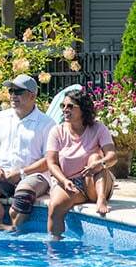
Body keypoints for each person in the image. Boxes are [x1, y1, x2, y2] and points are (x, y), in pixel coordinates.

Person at [0, 73, 57, 231]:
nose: (12, 95)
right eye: (11, 91)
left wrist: (21, 172)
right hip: (1, 174)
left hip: (33, 175)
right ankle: (0, 229)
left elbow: (50, 159)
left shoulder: (47, 124)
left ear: (32, 96)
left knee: (24, 195)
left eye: (18, 92)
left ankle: (15, 229)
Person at [45, 88, 117, 239]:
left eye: (70, 106)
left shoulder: (98, 128)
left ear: (83, 109)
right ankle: (55, 245)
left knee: (94, 158)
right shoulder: (57, 131)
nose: (65, 110)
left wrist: (101, 164)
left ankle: (101, 198)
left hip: (96, 182)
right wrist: (64, 181)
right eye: (63, 106)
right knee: (54, 206)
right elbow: (51, 163)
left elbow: (112, 156)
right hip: (70, 183)